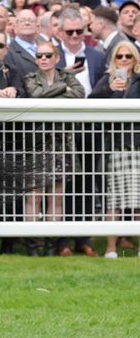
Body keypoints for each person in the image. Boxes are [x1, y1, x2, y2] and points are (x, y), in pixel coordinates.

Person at [22, 41, 84, 255]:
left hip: (62, 144)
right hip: (38, 144)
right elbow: (35, 95)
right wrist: (61, 89)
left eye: (48, 55)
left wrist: (54, 89)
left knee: (56, 197)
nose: (44, 59)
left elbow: (79, 93)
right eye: (39, 55)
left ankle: (50, 244)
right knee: (34, 196)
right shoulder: (30, 78)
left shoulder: (69, 78)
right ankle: (33, 244)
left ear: (57, 58)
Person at [89, 40, 140, 258]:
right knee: (114, 200)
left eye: (129, 56)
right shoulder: (107, 80)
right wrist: (110, 90)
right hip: (115, 146)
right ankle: (110, 248)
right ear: (114, 59)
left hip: (138, 145)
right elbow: (90, 102)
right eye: (120, 56)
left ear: (136, 59)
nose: (125, 60)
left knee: (138, 201)